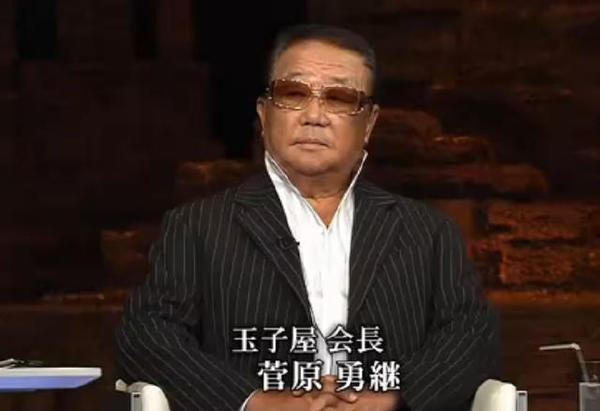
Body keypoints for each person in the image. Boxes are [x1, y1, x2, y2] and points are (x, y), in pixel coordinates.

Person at [116, 24, 499, 411]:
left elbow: (473, 334)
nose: (314, 115)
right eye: (293, 94)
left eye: (339, 98)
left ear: (369, 124)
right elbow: (146, 334)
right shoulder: (197, 227)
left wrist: (388, 399)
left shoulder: (428, 232)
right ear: (264, 114)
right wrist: (256, 401)